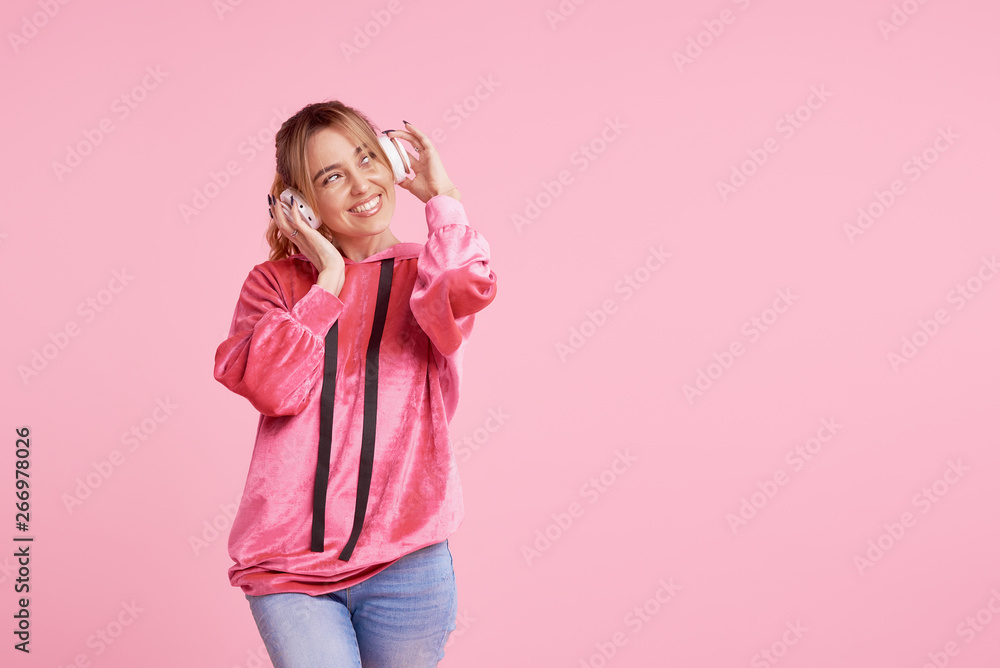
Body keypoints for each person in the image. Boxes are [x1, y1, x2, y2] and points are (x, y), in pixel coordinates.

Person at [213, 100, 497, 667]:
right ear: (301, 203)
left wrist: (443, 198)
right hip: (288, 563)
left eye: (368, 158)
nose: (362, 184)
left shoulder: (428, 271)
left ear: (391, 160)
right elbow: (272, 387)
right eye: (331, 177)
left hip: (408, 561)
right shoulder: (273, 286)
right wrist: (329, 280)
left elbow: (468, 284)